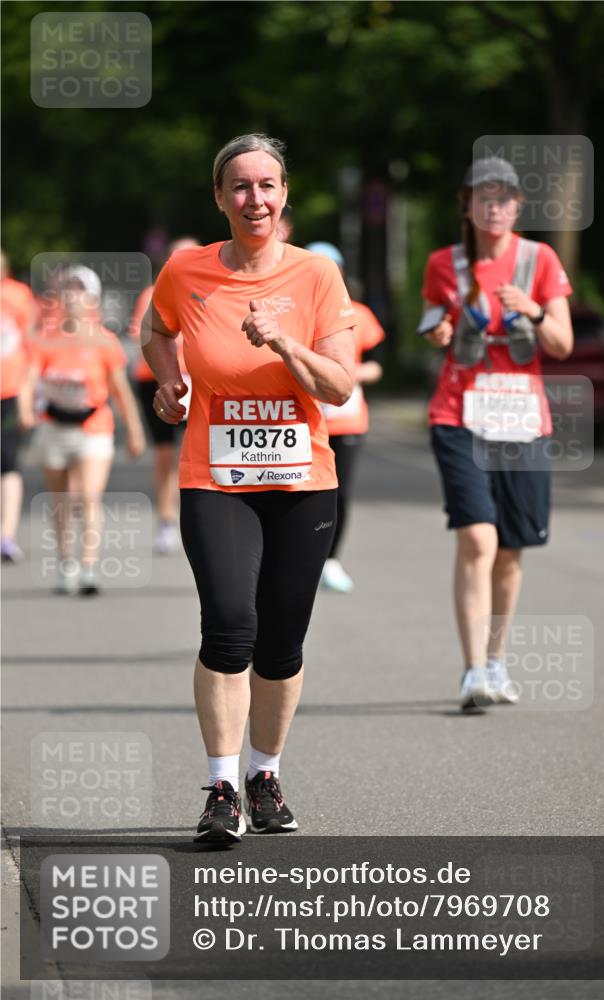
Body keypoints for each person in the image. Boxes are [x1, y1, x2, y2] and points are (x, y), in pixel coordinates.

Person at [140, 133, 356, 843]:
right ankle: (222, 787)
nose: (254, 198)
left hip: (302, 484)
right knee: (230, 627)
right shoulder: (186, 270)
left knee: (281, 642)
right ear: (219, 197)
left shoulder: (316, 276)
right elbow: (154, 329)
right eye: (240, 186)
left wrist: (284, 342)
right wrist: (170, 381)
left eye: (266, 185)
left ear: (284, 194)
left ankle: (266, 775)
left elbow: (338, 386)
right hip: (217, 479)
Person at [420, 157, 573, 711]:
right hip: (458, 415)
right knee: (478, 538)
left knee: (510, 549)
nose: (494, 208)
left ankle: (497, 661)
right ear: (467, 205)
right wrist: (439, 331)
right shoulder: (444, 263)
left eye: (504, 198)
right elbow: (432, 324)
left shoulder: (539, 259)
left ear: (517, 206)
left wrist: (532, 310)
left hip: (522, 419)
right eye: (483, 198)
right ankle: (472, 671)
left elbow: (562, 344)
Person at [24, 265, 145, 594]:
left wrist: (135, 431)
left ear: (92, 299)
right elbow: (30, 378)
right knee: (60, 500)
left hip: (94, 426)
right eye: (67, 291)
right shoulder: (46, 338)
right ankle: (67, 563)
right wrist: (25, 408)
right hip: (54, 426)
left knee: (90, 497)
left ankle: (88, 568)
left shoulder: (104, 341)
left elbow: (120, 390)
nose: (72, 298)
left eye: (79, 292)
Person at [305, 242, 385, 593]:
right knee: (302, 492)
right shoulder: (293, 312)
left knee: (339, 493)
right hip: (304, 420)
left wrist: (347, 375)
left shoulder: (360, 314)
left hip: (346, 418)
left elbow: (377, 366)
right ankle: (302, 558)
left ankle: (331, 560)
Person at [128, 237, 199, 554]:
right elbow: (146, 335)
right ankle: (167, 519)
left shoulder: (211, 289)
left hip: (198, 378)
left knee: (201, 449)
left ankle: (202, 514)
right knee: (165, 453)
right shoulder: (152, 293)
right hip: (156, 379)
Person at [0, 250, 35, 562]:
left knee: (8, 464)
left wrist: (26, 399)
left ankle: (6, 536)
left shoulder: (19, 295)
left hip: (8, 392)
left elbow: (30, 348)